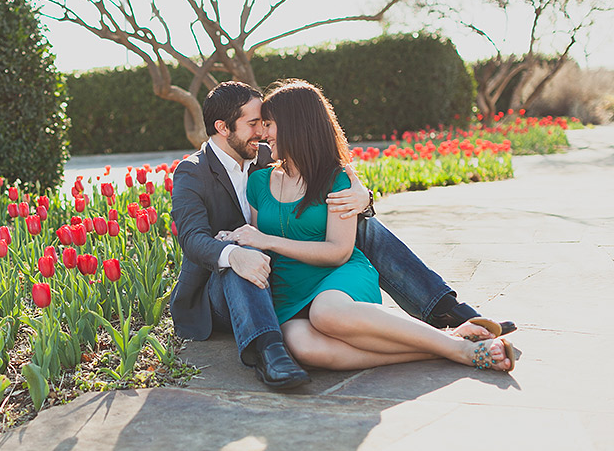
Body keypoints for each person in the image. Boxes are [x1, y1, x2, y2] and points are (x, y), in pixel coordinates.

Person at [170, 81, 516, 389]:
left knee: (361, 226)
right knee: (244, 263)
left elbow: (324, 179)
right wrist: (236, 252)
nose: (262, 131)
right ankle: (269, 349)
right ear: (222, 127)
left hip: (303, 266)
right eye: (254, 123)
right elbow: (194, 239)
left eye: (266, 123)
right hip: (228, 285)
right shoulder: (194, 172)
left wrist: (363, 196)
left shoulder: (263, 157)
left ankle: (446, 314)